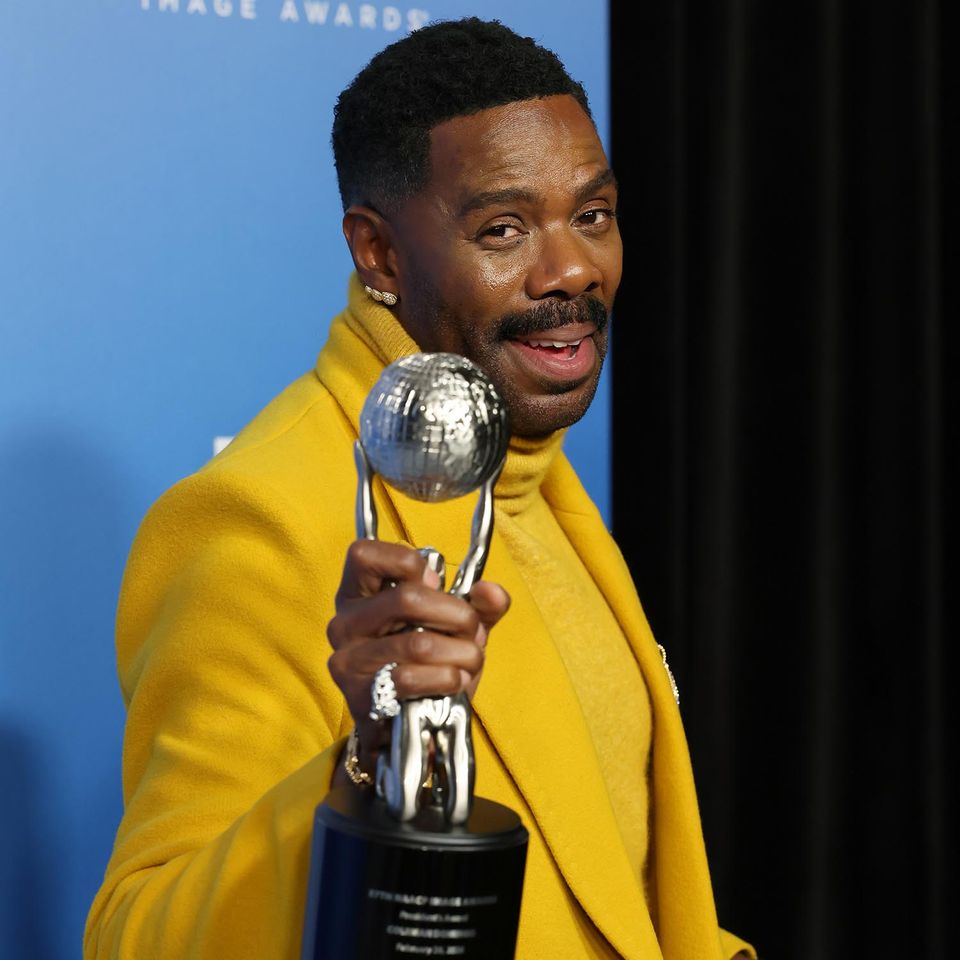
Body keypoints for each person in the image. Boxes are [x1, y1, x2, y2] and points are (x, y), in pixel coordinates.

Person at [85, 18, 754, 960]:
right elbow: (136, 939)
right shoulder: (261, 520)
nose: (573, 269)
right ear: (380, 254)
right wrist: (361, 763)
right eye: (504, 230)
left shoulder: (526, 474)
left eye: (593, 214)